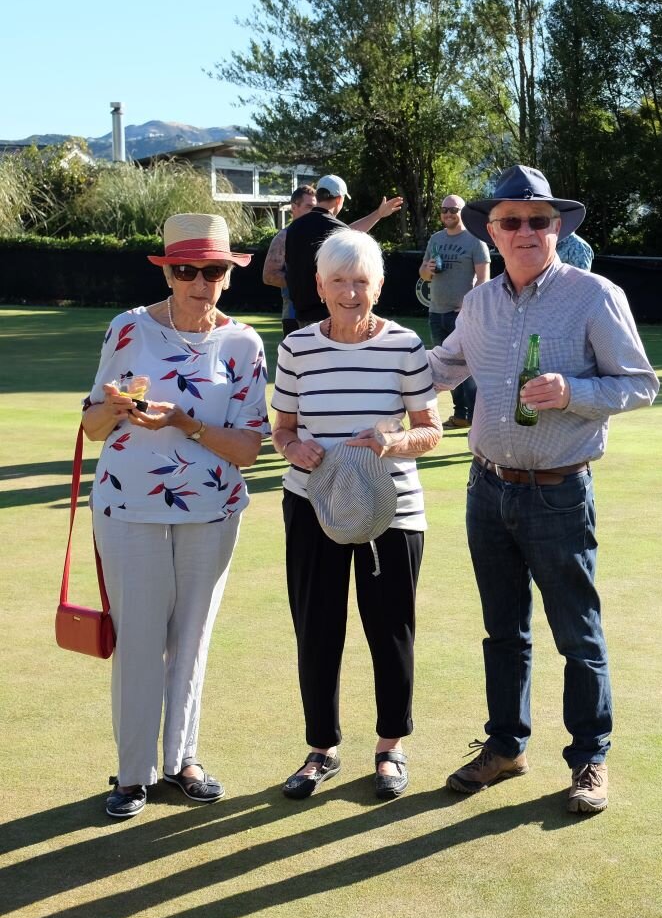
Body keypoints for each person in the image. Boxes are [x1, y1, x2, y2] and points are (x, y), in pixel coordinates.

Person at [431, 164, 658, 814]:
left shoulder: (592, 295)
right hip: (486, 489)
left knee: (576, 635)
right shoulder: (476, 304)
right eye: (512, 221)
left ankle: (589, 760)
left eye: (538, 219)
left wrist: (573, 393)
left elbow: (639, 383)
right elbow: (444, 367)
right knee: (502, 632)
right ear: (492, 234)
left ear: (555, 227)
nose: (526, 230)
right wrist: (368, 360)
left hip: (558, 492)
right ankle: (505, 747)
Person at [81, 213, 268, 818]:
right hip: (127, 503)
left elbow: (247, 448)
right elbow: (91, 426)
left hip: (212, 509)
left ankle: (181, 760)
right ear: (168, 271)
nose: (199, 281)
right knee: (138, 639)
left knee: (192, 637)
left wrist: (184, 422)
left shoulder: (243, 344)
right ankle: (133, 774)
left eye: (212, 270)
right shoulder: (128, 329)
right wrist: (113, 409)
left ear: (228, 276)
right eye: (185, 270)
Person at [271, 229, 440, 800]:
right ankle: (321, 748)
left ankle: (390, 747)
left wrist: (391, 443)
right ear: (319, 286)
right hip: (312, 504)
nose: (349, 293)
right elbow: (282, 429)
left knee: (390, 631)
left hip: (392, 510)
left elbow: (431, 431)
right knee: (316, 629)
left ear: (380, 285)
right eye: (338, 281)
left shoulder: (405, 345)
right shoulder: (296, 347)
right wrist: (295, 449)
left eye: (360, 281)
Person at [283, 173, 404, 328]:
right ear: (339, 199)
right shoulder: (337, 229)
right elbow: (347, 234)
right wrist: (379, 214)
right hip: (329, 315)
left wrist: (378, 214)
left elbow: (348, 232)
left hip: (300, 314)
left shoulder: (294, 228)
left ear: (318, 195)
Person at [417, 194, 491, 430]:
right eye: (444, 209)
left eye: (454, 209)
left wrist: (468, 307)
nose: (448, 213)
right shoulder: (436, 239)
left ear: (462, 212)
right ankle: (460, 415)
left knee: (468, 370)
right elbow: (423, 274)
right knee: (444, 371)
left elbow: (484, 279)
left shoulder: (474, 240)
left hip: (463, 317)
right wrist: (427, 270)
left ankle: (478, 418)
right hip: (436, 312)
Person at [262, 185, 317, 335]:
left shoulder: (321, 234)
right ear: (294, 207)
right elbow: (269, 276)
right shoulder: (284, 237)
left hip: (323, 314)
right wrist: (307, 282)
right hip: (294, 315)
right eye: (309, 206)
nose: (314, 211)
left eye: (316, 207)